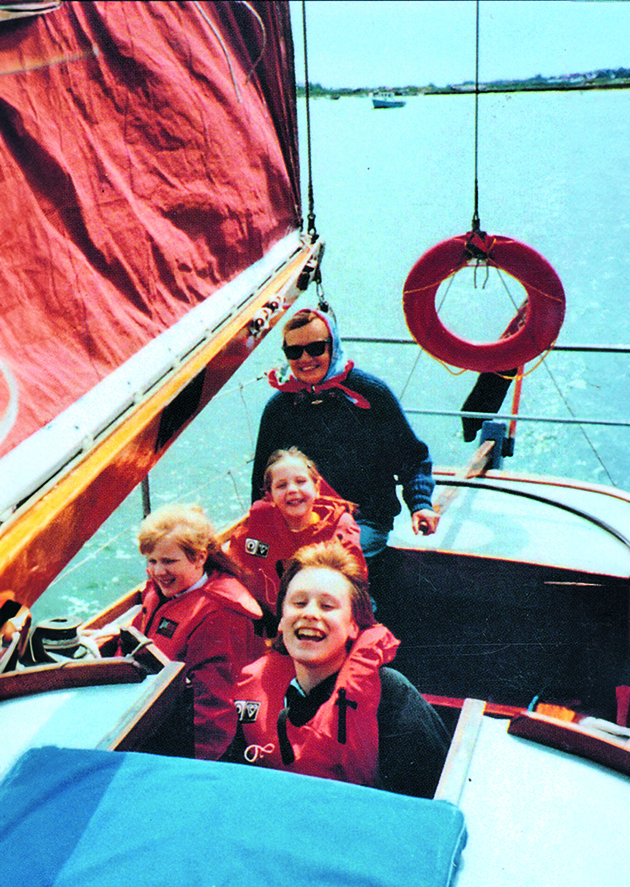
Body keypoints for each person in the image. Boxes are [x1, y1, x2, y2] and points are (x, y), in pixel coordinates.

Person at [224, 541, 449, 798]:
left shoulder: (390, 696)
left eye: (327, 606)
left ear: (355, 625)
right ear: (282, 620)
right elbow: (235, 780)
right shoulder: (255, 687)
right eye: (298, 603)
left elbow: (426, 803)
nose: (309, 613)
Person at [251, 307, 440, 563]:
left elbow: (412, 458)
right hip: (298, 521)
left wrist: (420, 504)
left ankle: (363, 604)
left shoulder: (370, 394)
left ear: (333, 347)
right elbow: (262, 479)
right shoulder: (279, 407)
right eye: (294, 351)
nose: (305, 358)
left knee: (326, 567)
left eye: (316, 348)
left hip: (363, 520)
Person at [130, 504, 263, 761]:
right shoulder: (162, 590)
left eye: (169, 561)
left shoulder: (218, 616)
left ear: (200, 558)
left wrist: (189, 766)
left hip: (192, 740)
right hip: (150, 706)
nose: (158, 571)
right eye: (152, 561)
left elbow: (214, 708)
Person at [227, 447, 367, 635]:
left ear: (317, 488)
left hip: (322, 622)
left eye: (301, 481)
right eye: (281, 485)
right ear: (270, 495)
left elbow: (355, 585)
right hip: (271, 623)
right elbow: (234, 571)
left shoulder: (338, 529)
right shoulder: (256, 531)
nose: (292, 490)